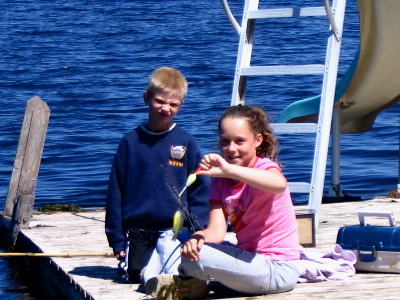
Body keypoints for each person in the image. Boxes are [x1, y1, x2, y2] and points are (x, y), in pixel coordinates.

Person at [147, 105, 300, 299]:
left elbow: (278, 184)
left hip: (277, 269)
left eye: (240, 141)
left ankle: (185, 282)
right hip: (248, 262)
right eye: (225, 142)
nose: (231, 149)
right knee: (174, 240)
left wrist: (229, 170)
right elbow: (216, 232)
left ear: (257, 140)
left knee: (199, 258)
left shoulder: (265, 168)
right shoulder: (221, 180)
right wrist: (197, 239)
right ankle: (155, 279)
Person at [105, 67, 210, 285]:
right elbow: (115, 193)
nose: (165, 108)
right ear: (147, 98)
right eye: (160, 101)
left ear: (181, 106)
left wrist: (198, 230)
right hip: (139, 229)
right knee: (135, 275)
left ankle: (175, 278)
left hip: (174, 229)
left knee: (178, 266)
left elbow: (200, 187)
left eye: (173, 104)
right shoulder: (129, 142)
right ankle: (149, 271)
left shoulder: (186, 142)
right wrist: (116, 239)